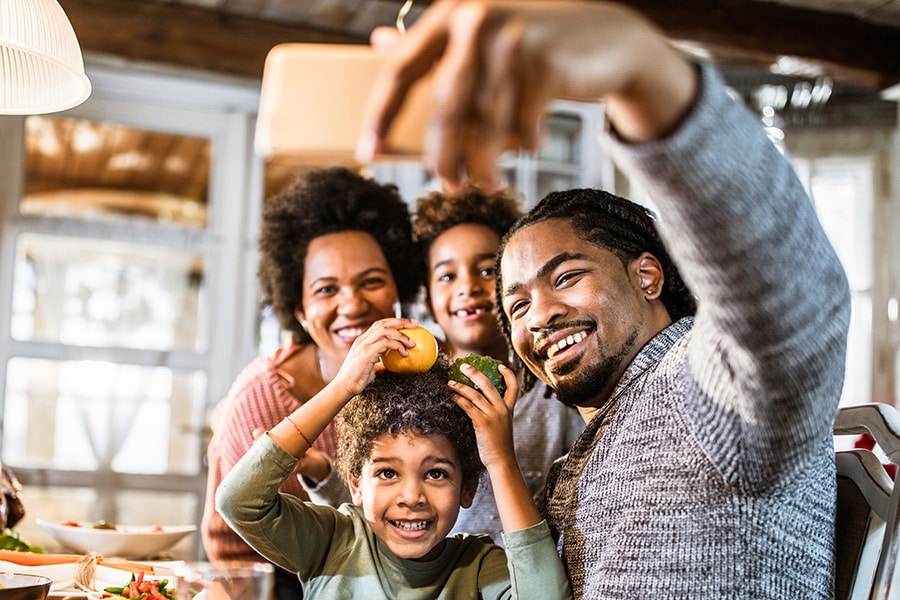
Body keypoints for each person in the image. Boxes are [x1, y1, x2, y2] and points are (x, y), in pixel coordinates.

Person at [355, 2, 852, 598]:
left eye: (565, 278)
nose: (538, 315)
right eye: (515, 307)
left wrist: (646, 74)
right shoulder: (590, 449)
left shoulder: (700, 390)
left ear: (648, 276)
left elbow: (790, 298)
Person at [215, 317, 572, 599]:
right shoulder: (331, 542)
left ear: (467, 489)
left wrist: (500, 461)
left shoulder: (477, 568)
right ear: (356, 483)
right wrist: (342, 387)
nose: (411, 496)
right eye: (387, 473)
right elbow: (238, 502)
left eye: (436, 474)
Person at [201, 167, 421, 600]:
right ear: (299, 310)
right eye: (326, 289)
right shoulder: (262, 399)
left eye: (372, 281)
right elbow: (235, 548)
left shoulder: (423, 376)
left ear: (399, 288)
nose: (352, 304)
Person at [411, 187, 583, 544]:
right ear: (427, 295)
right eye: (447, 276)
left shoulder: (554, 389)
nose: (468, 287)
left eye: (487, 270)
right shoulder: (414, 394)